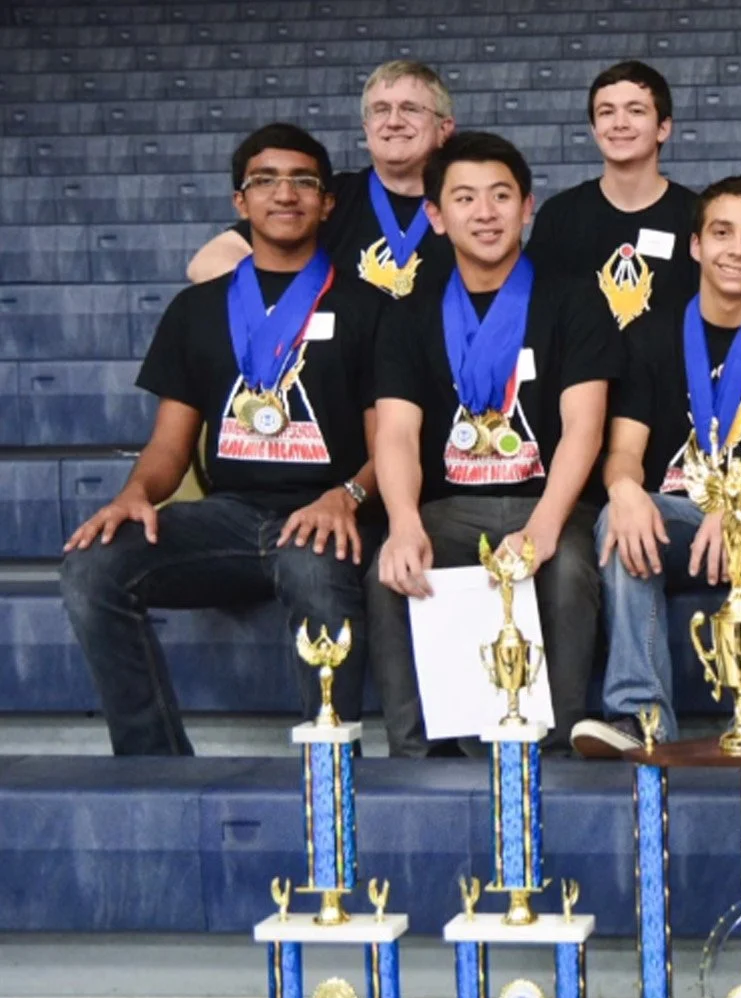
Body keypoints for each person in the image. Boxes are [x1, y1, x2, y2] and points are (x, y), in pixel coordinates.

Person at [63, 124, 384, 755]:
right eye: (264, 180)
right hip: (230, 518)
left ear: (327, 203)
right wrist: (135, 494)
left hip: (331, 514)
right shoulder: (197, 310)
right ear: (241, 203)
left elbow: (392, 445)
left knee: (310, 562)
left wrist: (346, 495)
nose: (284, 194)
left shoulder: (369, 307)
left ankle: (332, 768)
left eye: (303, 181)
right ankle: (153, 761)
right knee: (92, 566)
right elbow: (169, 446)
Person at [367, 132, 621, 757]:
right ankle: (415, 753)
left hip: (552, 502)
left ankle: (553, 750)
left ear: (527, 206)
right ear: (435, 215)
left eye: (501, 196)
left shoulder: (574, 297)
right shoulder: (408, 311)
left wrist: (544, 526)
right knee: (390, 573)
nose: (485, 213)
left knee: (566, 574)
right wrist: (402, 522)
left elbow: (584, 426)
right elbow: (396, 431)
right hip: (450, 512)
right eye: (465, 198)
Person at [572, 176, 741, 756]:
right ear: (695, 246)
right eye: (721, 233)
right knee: (618, 516)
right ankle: (641, 718)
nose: (736, 249)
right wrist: (623, 489)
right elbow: (623, 453)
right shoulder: (650, 335)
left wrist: (736, 505)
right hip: (675, 514)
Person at [188, 61, 457, 295]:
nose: (394, 121)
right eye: (381, 109)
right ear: (367, 128)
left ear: (444, 128)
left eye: (410, 109)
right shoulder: (327, 196)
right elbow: (208, 262)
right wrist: (300, 302)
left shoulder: (469, 200)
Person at [525, 61, 701, 331]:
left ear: (663, 128)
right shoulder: (559, 215)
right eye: (606, 112)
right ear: (594, 129)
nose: (620, 123)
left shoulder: (696, 215)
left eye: (636, 110)